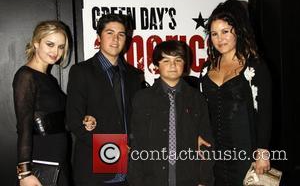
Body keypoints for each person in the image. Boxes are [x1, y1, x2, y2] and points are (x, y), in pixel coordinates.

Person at [199, 0, 272, 185]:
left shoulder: (254, 66)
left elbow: (265, 113)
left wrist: (262, 151)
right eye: (214, 34)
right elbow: (202, 110)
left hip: (245, 152)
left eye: (225, 32)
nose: (219, 39)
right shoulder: (206, 69)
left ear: (237, 32)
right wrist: (199, 134)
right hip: (215, 153)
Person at [66, 13, 142, 186]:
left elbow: (138, 120)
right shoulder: (81, 71)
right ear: (99, 36)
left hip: (131, 171)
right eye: (109, 33)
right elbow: (74, 121)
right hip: (95, 171)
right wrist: (115, 150)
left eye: (121, 34)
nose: (115, 39)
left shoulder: (134, 75)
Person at [129, 40, 214, 186]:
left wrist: (204, 181)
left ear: (185, 64)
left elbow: (206, 143)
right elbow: (137, 144)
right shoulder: (142, 98)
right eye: (166, 60)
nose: (173, 65)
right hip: (152, 178)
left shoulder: (196, 98)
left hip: (189, 177)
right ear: (157, 65)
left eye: (178, 60)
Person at [13, 20, 72, 186]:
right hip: (43, 158)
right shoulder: (26, 76)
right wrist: (24, 173)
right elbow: (23, 126)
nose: (56, 52)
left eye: (61, 47)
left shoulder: (50, 79)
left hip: (58, 158)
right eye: (50, 44)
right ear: (36, 43)